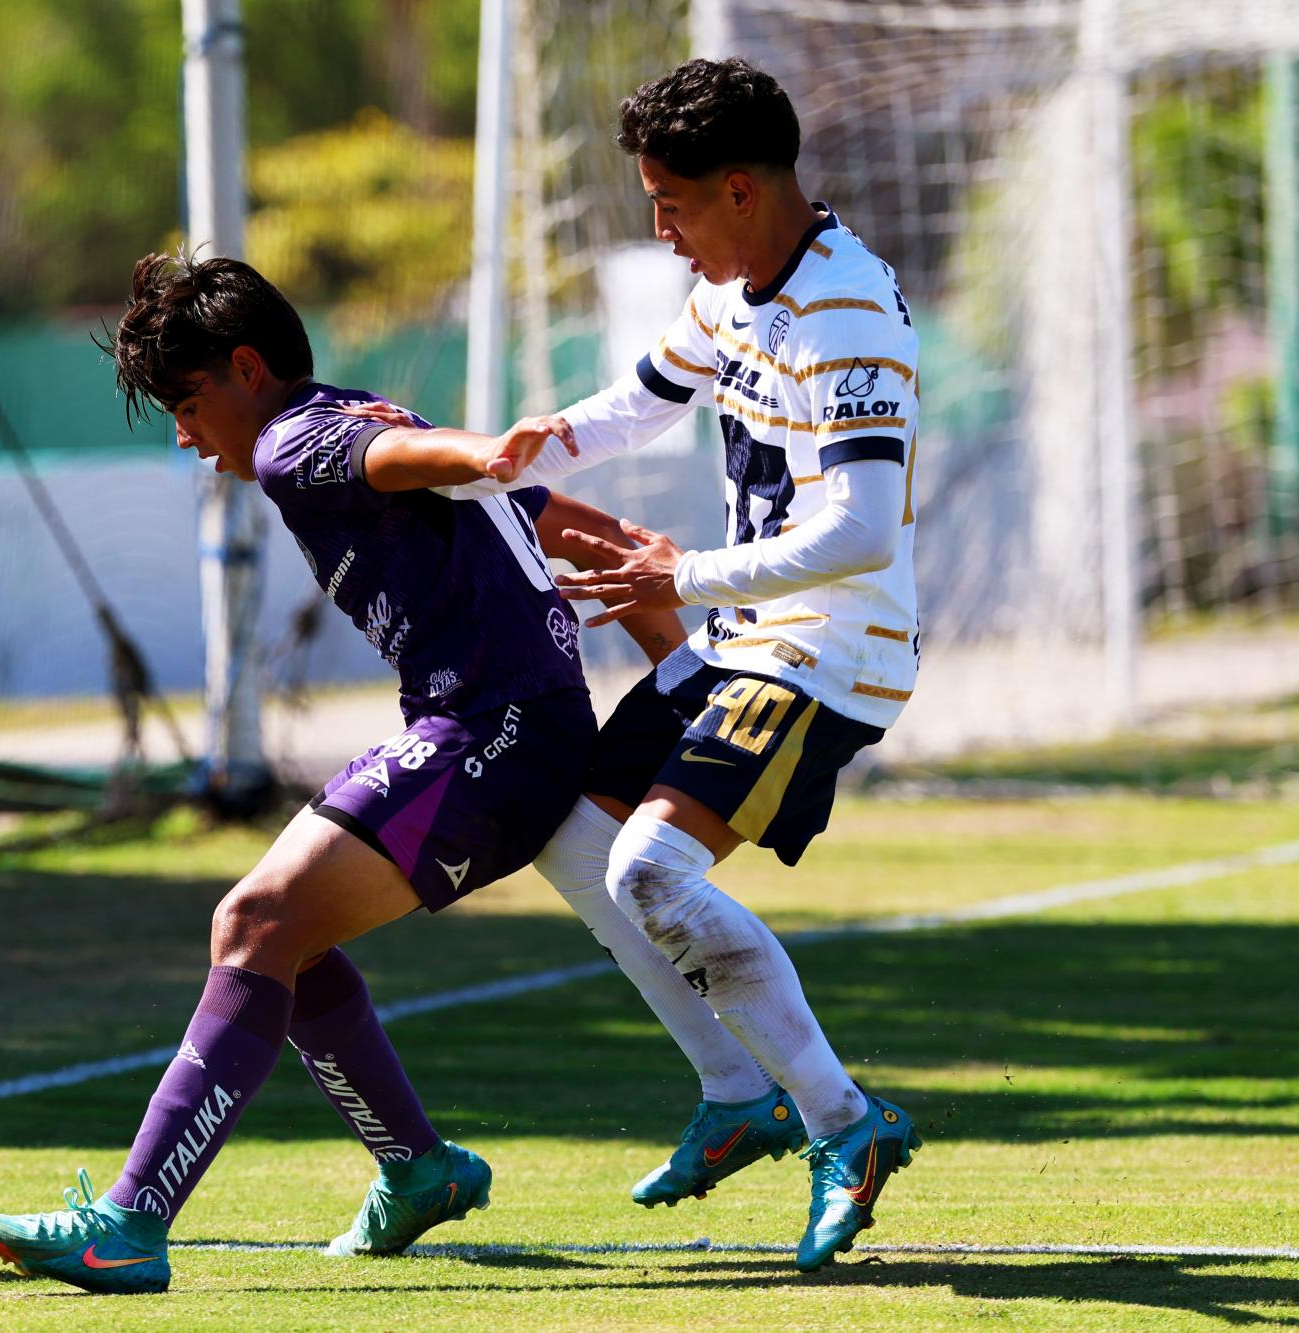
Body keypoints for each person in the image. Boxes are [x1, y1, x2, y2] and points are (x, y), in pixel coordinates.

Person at [0, 251, 686, 1294]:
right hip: (490, 723)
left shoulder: (301, 439)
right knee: (273, 938)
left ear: (245, 369)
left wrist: (485, 453)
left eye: (186, 402)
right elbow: (471, 488)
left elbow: (400, 461)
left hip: (493, 730)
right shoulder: (347, 411)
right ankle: (415, 1167)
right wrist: (540, 496)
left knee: (254, 922)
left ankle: (127, 1223)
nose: (185, 436)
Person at [420, 55, 925, 1271]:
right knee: (572, 838)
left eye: (673, 202)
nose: (660, 227)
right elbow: (646, 398)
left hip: (826, 647)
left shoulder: (843, 310)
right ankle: (730, 1090)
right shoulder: (736, 288)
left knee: (649, 863)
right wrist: (546, 442)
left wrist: (678, 577)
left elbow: (859, 527)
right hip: (749, 634)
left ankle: (845, 1126)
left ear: (742, 189)